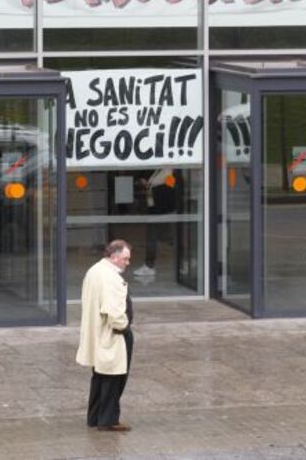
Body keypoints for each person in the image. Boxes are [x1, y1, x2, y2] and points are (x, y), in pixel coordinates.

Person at [76, 239, 133, 432]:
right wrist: (124, 327)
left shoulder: (94, 271)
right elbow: (114, 312)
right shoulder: (112, 278)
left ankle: (95, 417)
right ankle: (108, 420)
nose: (127, 263)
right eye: (125, 259)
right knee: (114, 377)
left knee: (100, 376)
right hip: (112, 334)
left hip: (96, 332)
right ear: (114, 257)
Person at [133, 168, 177, 277]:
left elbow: (169, 189)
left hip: (162, 210)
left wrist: (150, 186)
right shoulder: (159, 170)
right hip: (155, 209)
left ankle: (149, 265)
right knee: (159, 236)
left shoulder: (169, 172)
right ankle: (149, 265)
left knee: (161, 237)